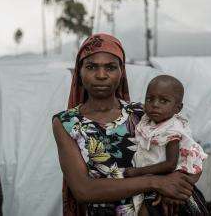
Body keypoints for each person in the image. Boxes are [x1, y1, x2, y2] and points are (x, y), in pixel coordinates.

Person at [52, 33, 197, 216]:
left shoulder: (143, 113)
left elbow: (188, 153)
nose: (101, 75)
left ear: (122, 72)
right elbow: (83, 190)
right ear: (79, 72)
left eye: (111, 67)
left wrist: (177, 184)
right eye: (91, 67)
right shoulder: (66, 123)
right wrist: (156, 182)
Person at [124, 75, 208, 216]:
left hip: (174, 179)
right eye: (150, 99)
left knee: (146, 212)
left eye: (163, 101)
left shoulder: (172, 130)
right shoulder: (148, 121)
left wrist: (137, 172)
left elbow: (170, 164)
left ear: (178, 108)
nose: (155, 105)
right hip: (157, 180)